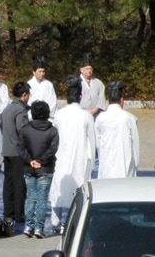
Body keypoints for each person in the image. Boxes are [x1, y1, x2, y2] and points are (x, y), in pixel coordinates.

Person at [47, 75, 95, 234]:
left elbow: (54, 136)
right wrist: (92, 161)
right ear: (80, 97)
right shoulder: (86, 115)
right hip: (80, 157)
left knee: (58, 187)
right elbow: (92, 141)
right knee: (77, 187)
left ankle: (55, 221)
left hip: (61, 156)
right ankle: (75, 221)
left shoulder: (59, 114)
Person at [19, 101, 59, 239]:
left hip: (29, 167)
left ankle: (28, 226)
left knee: (30, 197)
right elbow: (52, 150)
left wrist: (30, 161)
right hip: (45, 168)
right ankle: (39, 228)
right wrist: (41, 161)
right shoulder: (52, 131)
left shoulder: (25, 129)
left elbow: (21, 148)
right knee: (42, 198)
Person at [0, 81, 31, 227]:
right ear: (24, 95)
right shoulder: (20, 110)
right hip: (17, 151)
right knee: (19, 183)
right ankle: (19, 213)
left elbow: (2, 126)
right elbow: (22, 129)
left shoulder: (7, 109)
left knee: (8, 182)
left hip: (7, 149)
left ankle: (8, 212)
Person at [95, 81, 139, 179]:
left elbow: (98, 144)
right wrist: (135, 166)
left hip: (106, 166)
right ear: (121, 100)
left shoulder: (100, 118)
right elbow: (135, 146)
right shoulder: (129, 118)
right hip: (125, 166)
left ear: (107, 101)